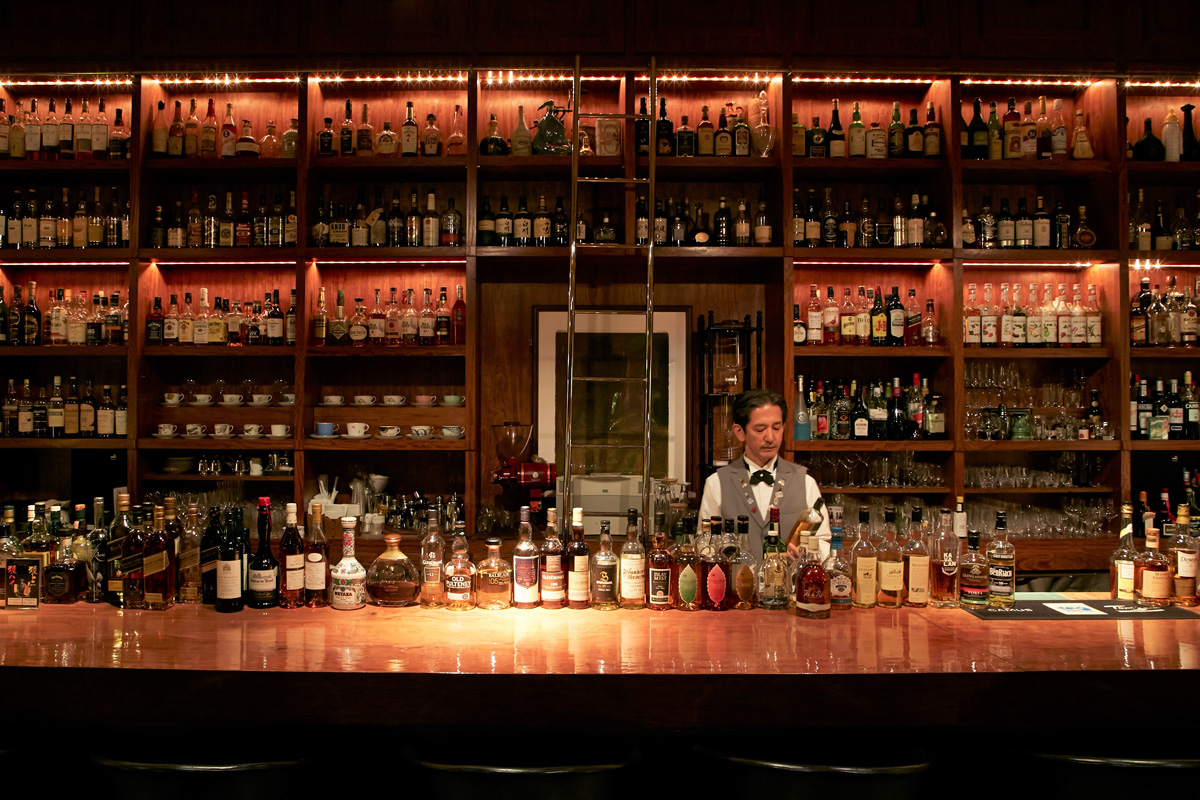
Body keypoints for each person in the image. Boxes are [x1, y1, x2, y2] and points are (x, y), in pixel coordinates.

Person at [699, 389, 830, 560]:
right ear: (739, 432)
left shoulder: (806, 482)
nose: (770, 437)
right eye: (760, 429)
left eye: (776, 428)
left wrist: (810, 552)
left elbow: (824, 542)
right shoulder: (716, 483)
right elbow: (704, 545)